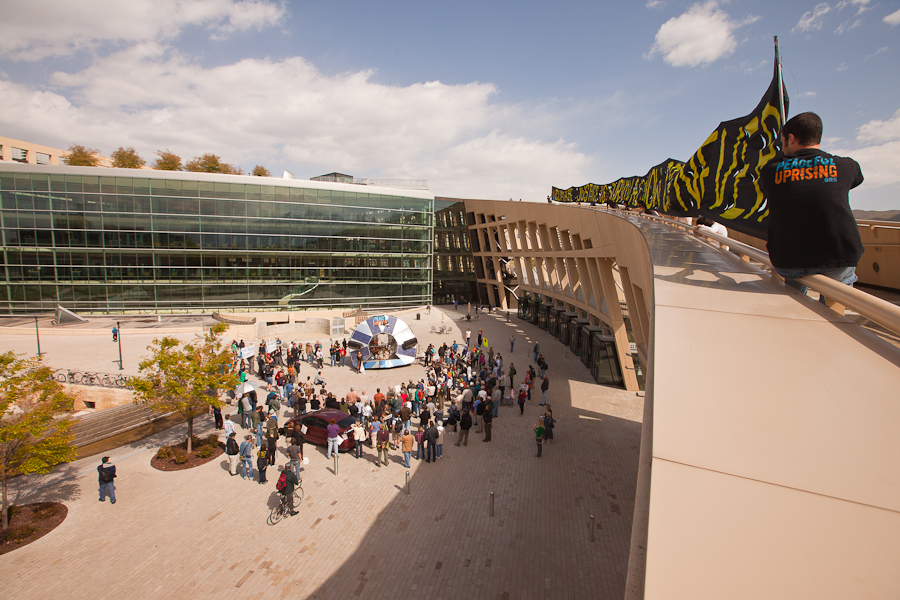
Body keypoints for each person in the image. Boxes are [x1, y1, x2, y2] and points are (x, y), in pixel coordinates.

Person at [760, 111, 864, 297]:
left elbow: (769, 185)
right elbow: (854, 180)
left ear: (790, 138)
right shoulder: (847, 166)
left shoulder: (771, 171)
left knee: (794, 290)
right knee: (840, 292)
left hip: (789, 261)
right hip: (838, 258)